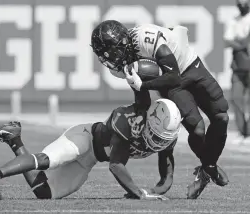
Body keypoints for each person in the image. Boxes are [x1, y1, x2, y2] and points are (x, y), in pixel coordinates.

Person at [91, 20, 229, 199]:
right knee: (197, 128)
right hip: (169, 84)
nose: (111, 59)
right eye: (105, 56)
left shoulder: (144, 38)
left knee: (221, 116)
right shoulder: (121, 67)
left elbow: (174, 76)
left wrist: (143, 85)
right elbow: (142, 96)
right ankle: (210, 167)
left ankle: (207, 167)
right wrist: (141, 114)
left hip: (188, 65)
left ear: (123, 41)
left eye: (112, 52)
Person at [0, 98, 181, 200]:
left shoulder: (165, 137)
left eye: (163, 138)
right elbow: (116, 165)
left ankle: (14, 139)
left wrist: (155, 192)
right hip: (85, 138)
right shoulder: (128, 120)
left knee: (45, 194)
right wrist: (138, 193)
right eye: (155, 134)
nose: (158, 141)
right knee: (46, 160)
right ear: (149, 121)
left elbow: (167, 178)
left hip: (89, 161)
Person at [224, 0, 250, 143]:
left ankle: (249, 133)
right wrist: (242, 44)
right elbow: (227, 41)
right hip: (238, 65)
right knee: (235, 98)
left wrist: (238, 42)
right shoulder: (234, 20)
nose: (242, 4)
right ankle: (244, 132)